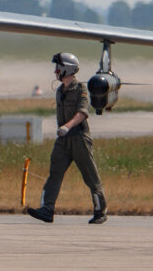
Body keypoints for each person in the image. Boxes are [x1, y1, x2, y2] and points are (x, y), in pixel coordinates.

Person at [26, 52, 107, 224]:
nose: (55, 71)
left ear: (66, 69)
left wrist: (67, 127)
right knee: (54, 173)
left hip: (78, 137)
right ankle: (47, 210)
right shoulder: (60, 91)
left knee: (90, 176)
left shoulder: (80, 89)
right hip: (63, 140)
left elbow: (83, 113)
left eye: (58, 67)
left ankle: (100, 210)